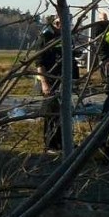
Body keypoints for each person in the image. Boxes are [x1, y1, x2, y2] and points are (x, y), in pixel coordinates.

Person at [36, 15, 63, 153]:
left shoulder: (65, 36)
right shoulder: (45, 37)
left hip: (62, 79)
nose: (61, 24)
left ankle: (62, 143)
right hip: (50, 80)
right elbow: (39, 63)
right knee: (51, 113)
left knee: (63, 113)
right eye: (58, 22)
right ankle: (50, 144)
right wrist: (44, 83)